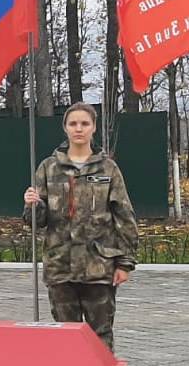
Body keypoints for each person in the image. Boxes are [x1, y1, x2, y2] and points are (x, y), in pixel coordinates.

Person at [23, 102, 138, 350]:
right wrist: (32, 205)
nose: (79, 129)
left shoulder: (108, 169)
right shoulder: (48, 168)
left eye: (84, 123)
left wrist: (124, 263)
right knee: (67, 337)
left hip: (99, 266)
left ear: (93, 127)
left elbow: (124, 216)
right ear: (65, 127)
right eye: (73, 123)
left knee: (100, 335)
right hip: (60, 266)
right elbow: (36, 222)